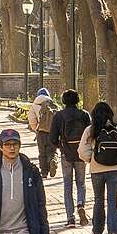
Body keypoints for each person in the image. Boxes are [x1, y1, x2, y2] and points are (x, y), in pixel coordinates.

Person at [78, 101, 117, 234]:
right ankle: (114, 232)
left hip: (97, 170)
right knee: (112, 201)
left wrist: (91, 159)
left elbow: (81, 151)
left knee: (98, 200)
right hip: (116, 169)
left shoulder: (91, 130)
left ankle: (96, 232)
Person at [48, 90, 92, 226]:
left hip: (66, 153)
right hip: (81, 153)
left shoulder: (59, 116)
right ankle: (80, 204)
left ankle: (70, 218)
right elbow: (91, 133)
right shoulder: (84, 114)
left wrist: (60, 147)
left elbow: (52, 137)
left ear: (64, 101)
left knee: (67, 185)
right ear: (77, 100)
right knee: (81, 183)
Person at [26, 89, 57, 177]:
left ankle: (44, 172)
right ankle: (52, 160)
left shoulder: (34, 105)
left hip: (41, 132)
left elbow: (32, 119)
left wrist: (36, 129)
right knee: (52, 150)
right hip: (52, 132)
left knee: (42, 152)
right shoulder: (53, 104)